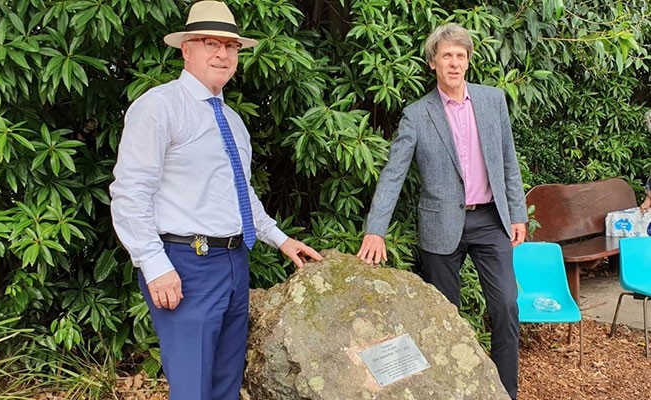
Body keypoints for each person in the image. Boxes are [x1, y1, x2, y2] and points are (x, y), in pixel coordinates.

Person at [109, 2, 322, 399]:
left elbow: (238, 194)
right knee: (193, 389)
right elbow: (129, 192)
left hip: (233, 262)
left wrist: (281, 239)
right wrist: (154, 264)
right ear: (186, 49)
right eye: (211, 43)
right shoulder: (159, 107)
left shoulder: (233, 121)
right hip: (186, 265)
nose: (222, 54)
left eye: (231, 45)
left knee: (226, 386)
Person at [357, 23, 527, 400]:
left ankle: (506, 392)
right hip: (441, 228)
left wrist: (518, 213)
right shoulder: (417, 115)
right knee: (442, 317)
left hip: (490, 221)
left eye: (460, 56)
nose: (454, 63)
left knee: (506, 307)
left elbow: (508, 162)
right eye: (446, 55)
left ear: (468, 61)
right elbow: (392, 175)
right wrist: (375, 230)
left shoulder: (492, 100)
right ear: (433, 62)